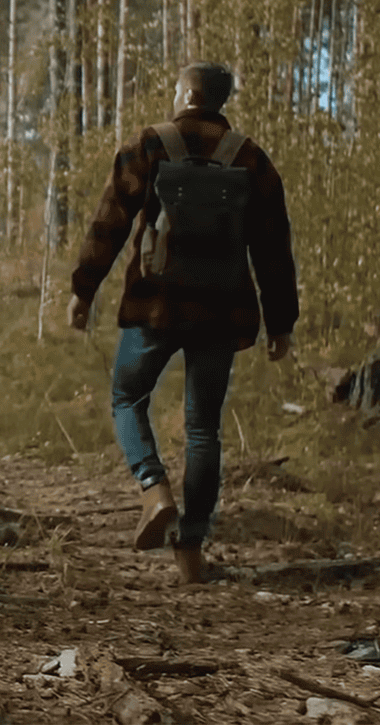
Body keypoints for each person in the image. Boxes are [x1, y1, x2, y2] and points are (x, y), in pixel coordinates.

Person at [67, 62, 299, 584]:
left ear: (188, 95)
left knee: (127, 398)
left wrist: (84, 289)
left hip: (156, 306)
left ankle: (154, 489)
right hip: (222, 310)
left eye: (176, 88)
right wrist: (281, 322)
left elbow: (109, 221)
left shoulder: (150, 145)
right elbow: (273, 248)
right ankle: (191, 550)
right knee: (203, 428)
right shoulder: (250, 157)